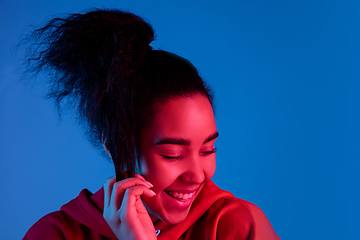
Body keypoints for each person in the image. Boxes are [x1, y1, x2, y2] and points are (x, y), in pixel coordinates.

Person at [22, 9, 280, 240]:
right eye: (173, 155)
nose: (198, 175)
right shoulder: (55, 234)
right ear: (114, 144)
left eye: (208, 150)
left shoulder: (234, 224)